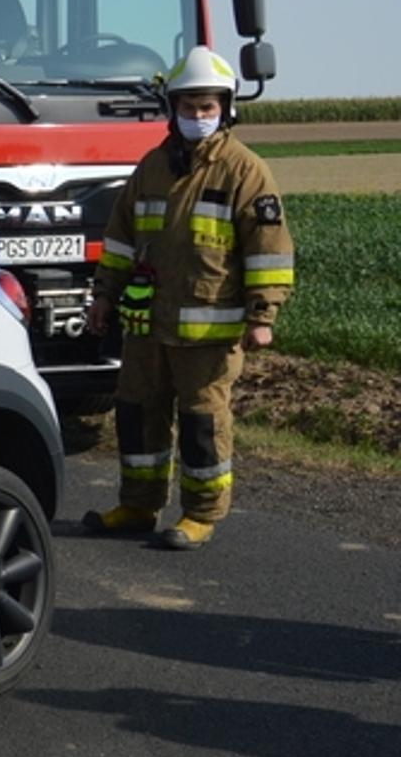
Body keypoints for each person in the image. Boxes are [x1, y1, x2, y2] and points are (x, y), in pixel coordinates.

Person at [81, 46, 295, 550]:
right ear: (171, 109)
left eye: (207, 107)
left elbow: (268, 249)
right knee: (136, 413)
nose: (198, 116)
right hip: (147, 325)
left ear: (226, 108)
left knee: (202, 424)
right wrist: (103, 298)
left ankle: (200, 514)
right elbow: (120, 239)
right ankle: (138, 504)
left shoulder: (246, 171)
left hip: (210, 332)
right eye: (188, 106)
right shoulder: (152, 167)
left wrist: (263, 314)